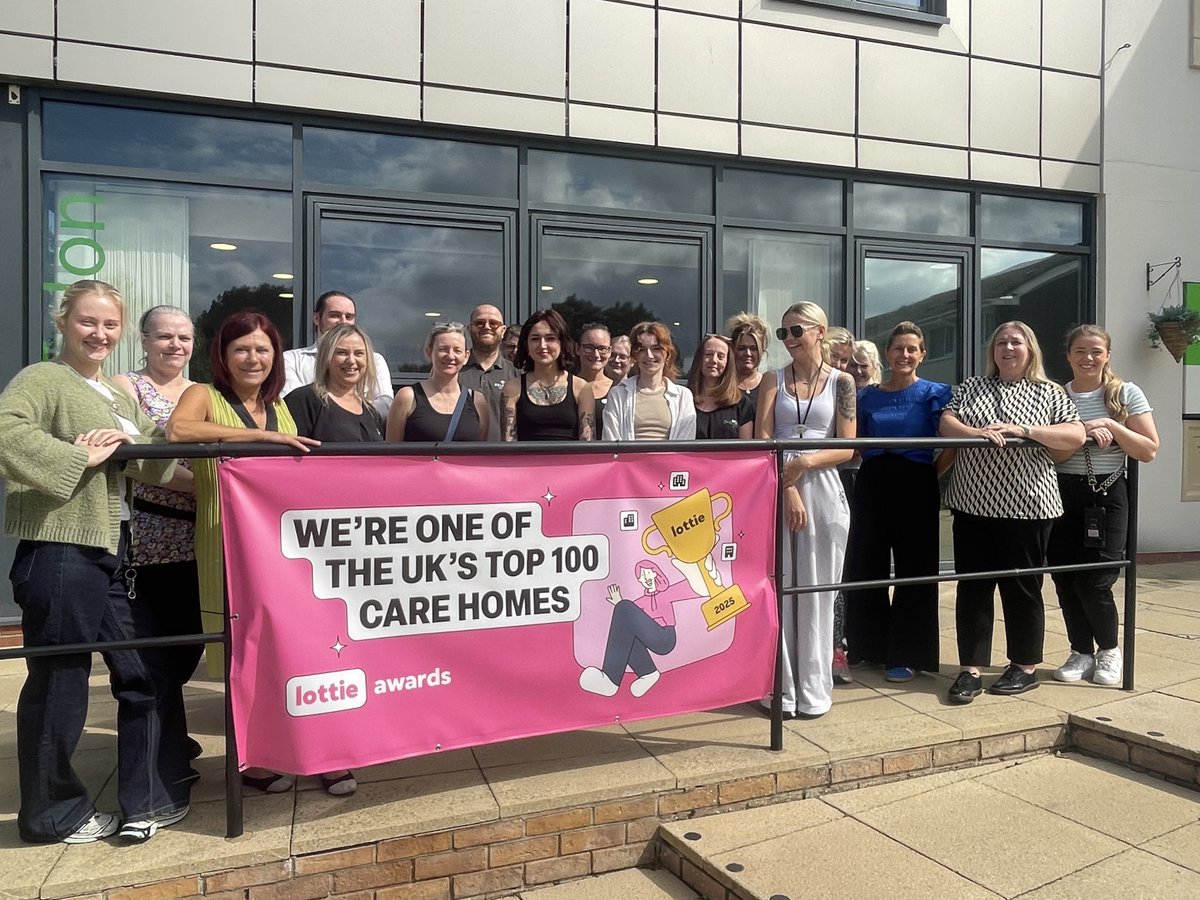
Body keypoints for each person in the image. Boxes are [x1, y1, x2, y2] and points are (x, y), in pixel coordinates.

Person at [0, 279, 186, 844]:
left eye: (109, 325)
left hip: (112, 549)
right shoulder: (42, 378)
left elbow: (152, 463)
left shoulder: (118, 394)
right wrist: (80, 455)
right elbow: (6, 430)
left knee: (140, 672)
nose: (99, 333)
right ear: (62, 321)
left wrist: (133, 439)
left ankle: (145, 798)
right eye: (87, 321)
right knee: (60, 681)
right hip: (60, 549)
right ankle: (51, 814)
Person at [167, 310, 318, 794]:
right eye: (242, 349)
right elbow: (179, 432)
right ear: (223, 355)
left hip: (275, 549)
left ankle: (282, 746)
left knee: (276, 648)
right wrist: (261, 436)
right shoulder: (204, 395)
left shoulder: (280, 405)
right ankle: (248, 759)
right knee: (238, 653)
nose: (253, 358)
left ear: (275, 356)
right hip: (224, 540)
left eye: (262, 349)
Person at [939, 321, 1085, 704]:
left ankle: (1024, 667)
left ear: (1030, 349)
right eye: (1001, 342)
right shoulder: (973, 386)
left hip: (1029, 507)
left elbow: (1074, 435)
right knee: (973, 589)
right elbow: (946, 423)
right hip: (973, 504)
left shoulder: (1049, 392)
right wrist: (976, 434)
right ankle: (970, 669)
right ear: (993, 351)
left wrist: (1026, 430)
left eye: (1016, 341)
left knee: (1022, 588)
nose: (1008, 348)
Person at [112, 305, 204, 769]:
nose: (175, 346)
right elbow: (135, 457)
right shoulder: (125, 388)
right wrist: (206, 483)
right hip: (149, 537)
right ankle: (166, 754)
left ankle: (169, 736)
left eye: (184, 338)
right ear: (144, 340)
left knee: (191, 645)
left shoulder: (203, 391)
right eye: (165, 336)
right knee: (156, 655)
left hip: (201, 538)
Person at [755, 302, 855, 719]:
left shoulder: (843, 382)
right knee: (778, 588)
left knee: (817, 591)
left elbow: (848, 446)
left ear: (819, 331)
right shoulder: (771, 379)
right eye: (784, 334)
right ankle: (780, 688)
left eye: (796, 330)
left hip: (823, 486)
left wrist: (805, 464)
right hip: (776, 485)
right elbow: (762, 440)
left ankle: (813, 688)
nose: (790, 340)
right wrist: (788, 483)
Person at [1048, 325, 1158, 686]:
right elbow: (1052, 452)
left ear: (1107, 355)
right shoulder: (1056, 395)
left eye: (1096, 351)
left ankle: (1109, 651)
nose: (1088, 357)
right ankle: (1080, 651)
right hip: (1061, 492)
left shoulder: (1125, 393)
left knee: (1096, 581)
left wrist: (1111, 423)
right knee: (1065, 578)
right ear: (1068, 356)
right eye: (1080, 350)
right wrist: (1082, 432)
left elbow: (1148, 449)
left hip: (1108, 494)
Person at [843, 322, 952, 683]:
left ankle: (907, 653)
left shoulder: (936, 393)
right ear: (887, 354)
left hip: (917, 482)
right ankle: (868, 646)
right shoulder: (867, 396)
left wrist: (929, 472)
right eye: (898, 349)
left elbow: (951, 442)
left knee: (915, 569)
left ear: (922, 354)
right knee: (865, 562)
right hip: (873, 482)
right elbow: (855, 443)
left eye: (912, 349)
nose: (904, 355)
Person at [579, 560, 687, 698]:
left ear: (655, 572)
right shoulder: (640, 602)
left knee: (624, 607)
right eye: (641, 576)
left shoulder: (667, 593)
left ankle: (610, 678)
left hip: (665, 638)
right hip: (651, 637)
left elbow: (692, 589)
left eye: (647, 573)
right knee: (625, 629)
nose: (644, 578)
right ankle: (647, 672)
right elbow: (627, 620)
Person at [282, 291, 393, 416]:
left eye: (349, 317)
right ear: (317, 318)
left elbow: (386, 407)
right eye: (335, 315)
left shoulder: (374, 359)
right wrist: (359, 404)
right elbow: (293, 406)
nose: (343, 322)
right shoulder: (290, 360)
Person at [502, 309, 595, 441]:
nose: (542, 345)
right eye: (535, 339)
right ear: (526, 345)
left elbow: (588, 444)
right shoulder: (512, 388)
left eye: (550, 338)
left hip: (570, 461)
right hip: (524, 461)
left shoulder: (581, 388)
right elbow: (508, 445)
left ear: (562, 343)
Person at [387, 322, 489, 442]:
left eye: (457, 350)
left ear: (466, 357)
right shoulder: (408, 397)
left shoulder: (477, 401)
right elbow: (391, 452)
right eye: (443, 349)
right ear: (429, 353)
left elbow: (479, 453)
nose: (450, 356)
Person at [285, 323, 385, 444]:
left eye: (359, 353)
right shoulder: (305, 400)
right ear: (326, 358)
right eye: (342, 353)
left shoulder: (371, 412)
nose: (351, 361)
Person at [603, 322, 697, 441]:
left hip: (670, 459)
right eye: (642, 350)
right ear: (634, 356)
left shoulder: (683, 396)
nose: (649, 355)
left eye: (656, 349)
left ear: (668, 354)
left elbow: (685, 444)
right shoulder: (618, 394)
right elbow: (611, 443)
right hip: (629, 459)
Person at [461, 303, 516, 441]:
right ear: (469, 328)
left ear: (503, 330)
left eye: (493, 323)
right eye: (479, 323)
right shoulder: (453, 372)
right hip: (460, 457)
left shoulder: (517, 376)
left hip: (503, 458)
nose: (486, 327)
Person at [686, 333, 753, 440]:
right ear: (700, 359)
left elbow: (746, 451)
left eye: (720, 356)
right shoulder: (684, 400)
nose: (714, 360)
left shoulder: (742, 405)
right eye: (708, 354)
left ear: (728, 363)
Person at [577, 322, 616, 438]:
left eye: (602, 348)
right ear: (577, 349)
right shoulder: (567, 386)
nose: (596, 354)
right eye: (589, 347)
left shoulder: (619, 390)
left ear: (609, 351)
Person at [726, 312, 770, 406]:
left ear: (762, 352)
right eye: (742, 348)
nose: (748, 354)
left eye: (753, 348)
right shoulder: (724, 385)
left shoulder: (769, 385)